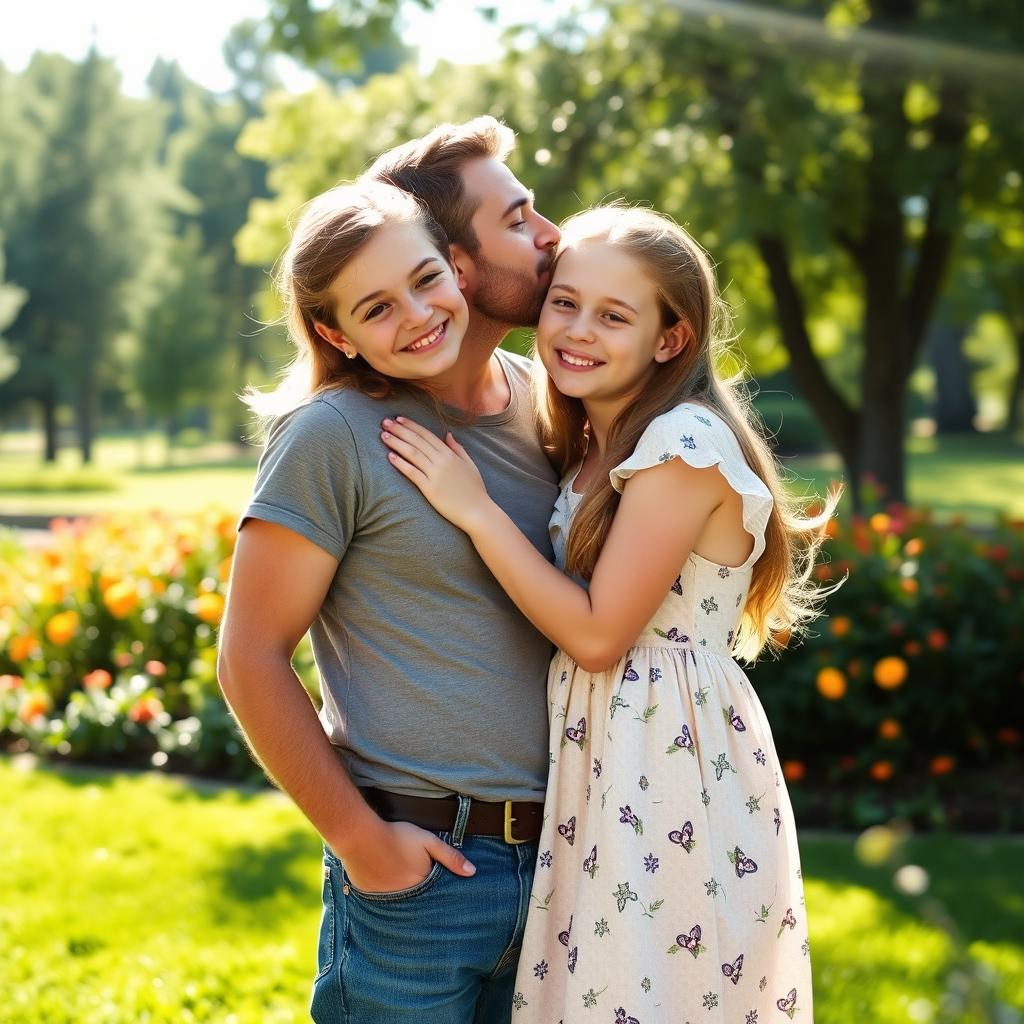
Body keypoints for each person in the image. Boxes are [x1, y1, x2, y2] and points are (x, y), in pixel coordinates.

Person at [380, 204, 835, 1023]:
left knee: (651, 989)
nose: (576, 329)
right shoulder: (596, 439)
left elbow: (595, 635)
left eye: (613, 315)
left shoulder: (682, 445)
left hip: (669, 764)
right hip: (613, 754)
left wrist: (473, 509)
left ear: (671, 340)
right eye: (565, 301)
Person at [218, 116, 561, 1024]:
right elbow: (249, 657)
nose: (416, 316)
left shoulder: (544, 403)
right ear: (336, 333)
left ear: (453, 267)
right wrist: (360, 841)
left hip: (572, 862)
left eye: (424, 281)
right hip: (423, 874)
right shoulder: (331, 438)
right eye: (376, 309)